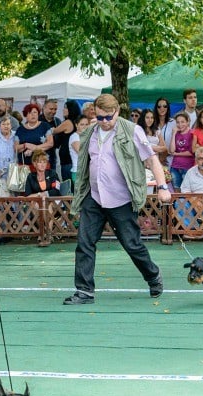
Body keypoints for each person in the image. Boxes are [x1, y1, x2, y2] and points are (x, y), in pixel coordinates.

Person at [64, 93, 170, 306]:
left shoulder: (133, 131)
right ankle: (84, 291)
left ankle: (153, 276)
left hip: (121, 198)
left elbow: (152, 159)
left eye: (108, 118)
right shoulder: (91, 132)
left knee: (132, 244)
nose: (104, 122)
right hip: (93, 196)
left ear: (117, 112)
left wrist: (162, 187)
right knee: (85, 242)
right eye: (100, 117)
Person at [24, 149, 64, 247]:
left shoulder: (52, 174)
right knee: (36, 205)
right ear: (34, 164)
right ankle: (45, 233)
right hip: (38, 205)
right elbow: (28, 195)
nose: (42, 164)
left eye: (44, 162)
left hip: (54, 202)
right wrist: (39, 195)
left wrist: (45, 194)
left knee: (46, 204)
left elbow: (56, 190)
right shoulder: (30, 177)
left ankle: (46, 233)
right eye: (39, 162)